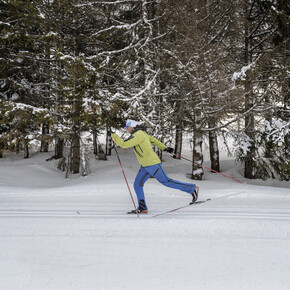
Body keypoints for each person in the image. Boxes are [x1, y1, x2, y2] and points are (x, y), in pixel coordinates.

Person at [109, 119, 199, 214]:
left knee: (167, 182)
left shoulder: (138, 134)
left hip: (152, 164)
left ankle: (192, 189)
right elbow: (153, 140)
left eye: (128, 127)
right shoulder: (141, 134)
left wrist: (113, 135)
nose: (127, 129)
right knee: (137, 184)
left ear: (133, 126)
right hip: (145, 166)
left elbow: (124, 144)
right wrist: (165, 148)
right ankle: (143, 207)